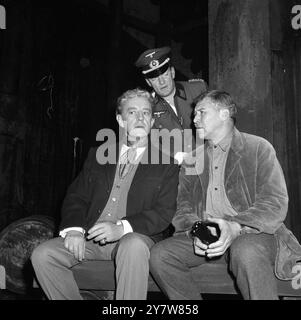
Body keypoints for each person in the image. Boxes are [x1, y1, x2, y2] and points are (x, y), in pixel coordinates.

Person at [150, 90, 301, 300]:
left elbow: (274, 203)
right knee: (160, 255)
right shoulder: (192, 160)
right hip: (208, 236)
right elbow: (182, 208)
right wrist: (196, 231)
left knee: (245, 250)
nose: (194, 120)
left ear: (224, 114)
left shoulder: (258, 148)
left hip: (254, 234)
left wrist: (235, 226)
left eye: (201, 112)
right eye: (194, 114)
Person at [31, 88, 179, 300]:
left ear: (152, 122)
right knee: (43, 255)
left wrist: (121, 229)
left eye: (146, 113)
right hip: (91, 238)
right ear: (120, 120)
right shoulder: (99, 155)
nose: (140, 118)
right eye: (132, 112)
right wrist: (74, 230)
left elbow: (163, 213)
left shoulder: (167, 163)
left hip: (136, 239)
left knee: (132, 245)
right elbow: (76, 197)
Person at [135, 46, 207, 163]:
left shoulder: (198, 89)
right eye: (155, 79)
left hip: (207, 162)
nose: (162, 82)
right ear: (148, 82)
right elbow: (146, 143)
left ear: (172, 72)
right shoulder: (146, 107)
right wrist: (174, 156)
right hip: (174, 169)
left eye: (165, 75)